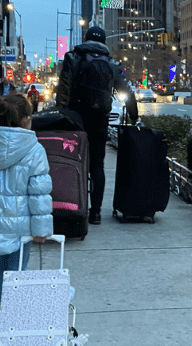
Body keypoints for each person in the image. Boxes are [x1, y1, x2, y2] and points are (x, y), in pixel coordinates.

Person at [0, 93, 53, 338]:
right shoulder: (34, 149)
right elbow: (39, 193)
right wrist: (41, 230)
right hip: (20, 223)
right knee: (17, 270)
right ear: (26, 120)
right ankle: (12, 321)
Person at [55, 25, 138, 224]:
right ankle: (96, 213)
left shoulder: (73, 57)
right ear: (104, 43)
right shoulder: (111, 64)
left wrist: (61, 115)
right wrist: (134, 116)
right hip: (100, 120)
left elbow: (64, 90)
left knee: (73, 162)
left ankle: (76, 207)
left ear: (85, 39)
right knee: (97, 166)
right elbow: (126, 92)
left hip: (76, 119)